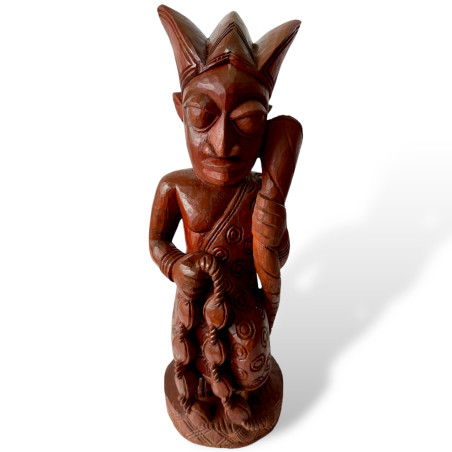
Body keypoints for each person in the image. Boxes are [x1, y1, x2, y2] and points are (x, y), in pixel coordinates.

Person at [149, 5, 302, 428]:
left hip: (243, 303)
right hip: (195, 301)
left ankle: (243, 395)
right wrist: (177, 267)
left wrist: (273, 231)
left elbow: (278, 254)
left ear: (266, 123)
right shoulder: (175, 188)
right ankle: (197, 394)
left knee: (250, 368)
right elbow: (157, 242)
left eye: (247, 122)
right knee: (192, 361)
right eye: (203, 116)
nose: (221, 143)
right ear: (180, 109)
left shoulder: (259, 191)